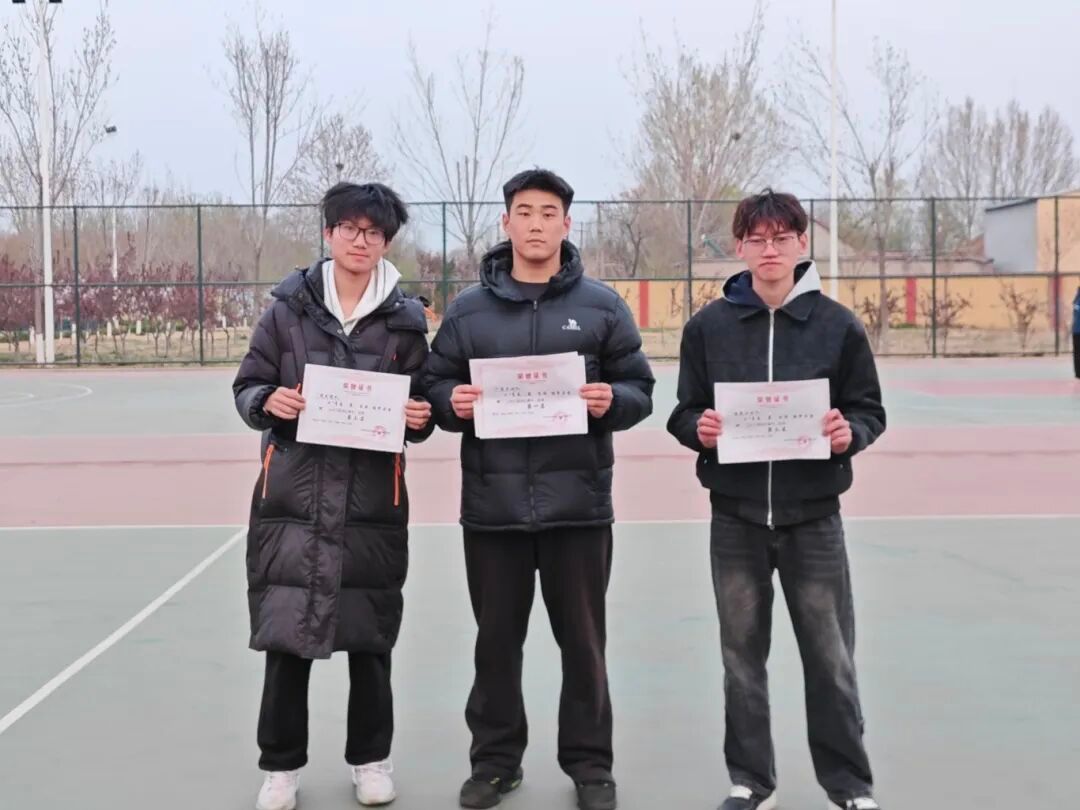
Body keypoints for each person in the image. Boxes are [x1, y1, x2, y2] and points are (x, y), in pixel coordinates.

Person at [422, 168, 654, 810]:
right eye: (524, 212)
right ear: (506, 222)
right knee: (496, 644)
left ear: (566, 224)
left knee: (584, 645)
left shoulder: (602, 306)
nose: (535, 224)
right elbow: (434, 386)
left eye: (548, 213)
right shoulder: (469, 310)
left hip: (578, 509)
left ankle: (591, 766)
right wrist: (451, 401)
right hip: (492, 511)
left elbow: (640, 388)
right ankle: (495, 763)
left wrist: (612, 401)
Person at [667, 189, 887, 810]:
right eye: (757, 239)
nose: (770, 249)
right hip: (735, 519)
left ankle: (849, 785)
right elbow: (683, 412)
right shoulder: (707, 328)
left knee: (831, 659)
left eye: (781, 238)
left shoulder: (838, 325)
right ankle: (749, 780)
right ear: (740, 247)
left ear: (801, 244)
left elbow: (868, 410)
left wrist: (849, 434)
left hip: (814, 519)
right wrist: (699, 429)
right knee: (741, 660)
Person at [232, 181, 434, 810]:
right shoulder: (285, 311)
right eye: (349, 228)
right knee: (286, 636)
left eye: (373, 232)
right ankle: (280, 768)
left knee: (370, 638)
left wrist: (420, 417)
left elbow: (422, 403)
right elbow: (247, 386)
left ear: (386, 242)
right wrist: (268, 400)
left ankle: (371, 762)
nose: (360, 240)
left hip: (373, 502)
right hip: (292, 499)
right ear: (328, 233)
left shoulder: (406, 322)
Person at [1071, 285, 1079, 379]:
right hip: (1077, 330)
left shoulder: (1076, 299)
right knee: (1077, 352)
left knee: (1077, 352)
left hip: (1076, 330)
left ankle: (1078, 372)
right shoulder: (1077, 300)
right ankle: (1078, 372)